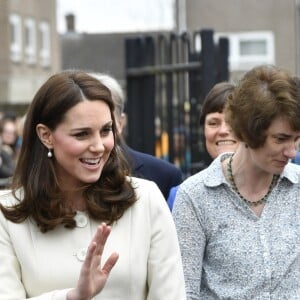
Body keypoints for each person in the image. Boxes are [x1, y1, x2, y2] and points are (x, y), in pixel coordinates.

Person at [0, 70, 186, 299]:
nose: (99, 146)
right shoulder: (7, 214)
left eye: (106, 130)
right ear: (46, 135)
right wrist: (71, 297)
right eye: (82, 134)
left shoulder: (145, 199)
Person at [172, 64, 300, 299]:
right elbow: (183, 291)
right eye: (281, 139)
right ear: (247, 133)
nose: (291, 151)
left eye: (296, 139)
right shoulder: (195, 196)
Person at [90, 72, 183, 200]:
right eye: (82, 131)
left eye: (106, 127)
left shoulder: (164, 176)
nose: (96, 144)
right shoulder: (56, 177)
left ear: (121, 122)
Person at [167, 81, 238, 210]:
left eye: (232, 121)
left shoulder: (280, 184)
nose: (223, 130)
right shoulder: (183, 195)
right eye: (213, 123)